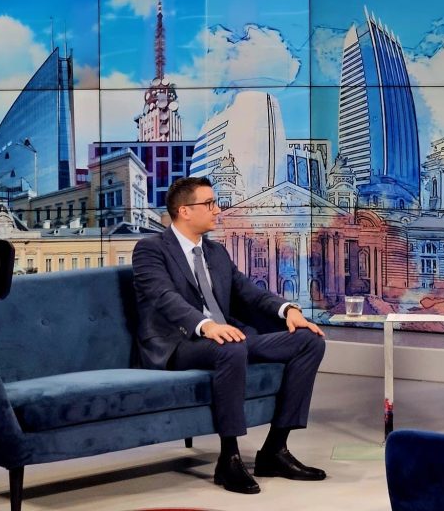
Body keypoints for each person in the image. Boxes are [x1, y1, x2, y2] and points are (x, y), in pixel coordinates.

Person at [132, 176, 327, 494]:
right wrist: (205, 325)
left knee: (309, 341)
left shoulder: (216, 252)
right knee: (231, 346)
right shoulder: (151, 249)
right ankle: (229, 458)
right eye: (209, 203)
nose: (217, 209)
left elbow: (248, 292)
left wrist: (288, 309)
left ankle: (274, 450)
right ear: (184, 211)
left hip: (228, 335)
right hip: (179, 343)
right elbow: (163, 297)